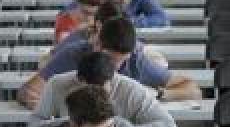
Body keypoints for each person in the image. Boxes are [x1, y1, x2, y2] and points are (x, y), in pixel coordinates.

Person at [19, 14, 199, 109]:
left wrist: (159, 94)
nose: (116, 67)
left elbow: (192, 88)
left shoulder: (136, 62)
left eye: (122, 61)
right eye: (111, 59)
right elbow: (27, 91)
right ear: (97, 44)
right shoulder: (73, 55)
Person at [31, 50, 178, 127]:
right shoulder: (56, 84)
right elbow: (36, 122)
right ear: (79, 80)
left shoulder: (132, 90)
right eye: (91, 89)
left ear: (112, 79)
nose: (96, 96)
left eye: (102, 89)